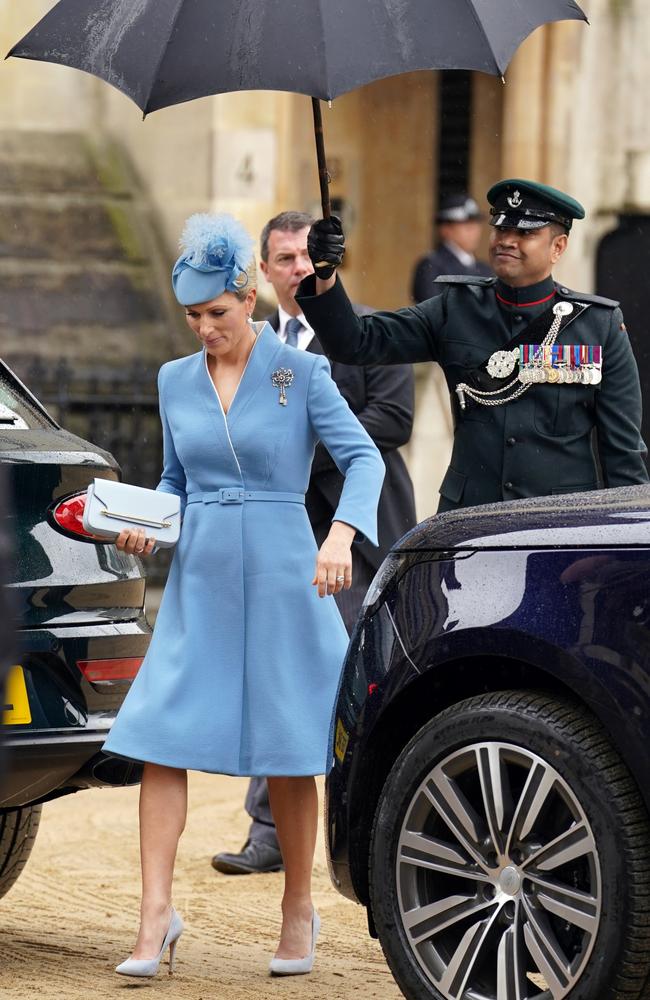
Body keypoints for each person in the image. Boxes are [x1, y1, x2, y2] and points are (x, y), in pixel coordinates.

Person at [102, 213, 385, 978]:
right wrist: (148, 526)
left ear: (249, 295)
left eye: (217, 314)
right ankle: (155, 916)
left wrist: (340, 537)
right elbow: (174, 482)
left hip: (285, 569)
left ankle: (299, 906)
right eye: (192, 317)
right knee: (160, 738)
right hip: (200, 578)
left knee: (291, 748)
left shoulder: (300, 374)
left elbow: (364, 462)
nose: (204, 330)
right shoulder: (173, 380)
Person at [212, 211, 416, 877]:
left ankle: (375, 831)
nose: (298, 268)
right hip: (277, 538)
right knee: (276, 674)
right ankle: (269, 832)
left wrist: (301, 448)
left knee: (358, 680)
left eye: (307, 256)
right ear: (264, 273)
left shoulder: (365, 331)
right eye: (284, 259)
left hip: (354, 538)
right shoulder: (245, 347)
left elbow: (393, 417)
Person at [298, 179, 649, 511]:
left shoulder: (598, 326)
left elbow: (623, 452)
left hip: (557, 528)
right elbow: (356, 342)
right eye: (501, 229)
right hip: (470, 521)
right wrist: (326, 273)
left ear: (558, 247)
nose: (507, 240)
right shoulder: (455, 307)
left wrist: (619, 548)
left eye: (525, 232)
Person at [411, 193, 492, 303]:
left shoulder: (485, 268)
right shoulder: (431, 266)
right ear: (445, 229)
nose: (474, 231)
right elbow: (432, 311)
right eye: (467, 226)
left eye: (476, 224)